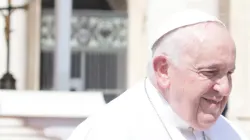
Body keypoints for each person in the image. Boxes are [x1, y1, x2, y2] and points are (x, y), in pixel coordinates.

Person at [67, 9, 249, 140]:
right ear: (163, 70)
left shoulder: (232, 134)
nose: (225, 88)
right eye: (210, 72)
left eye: (229, 73)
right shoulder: (108, 132)